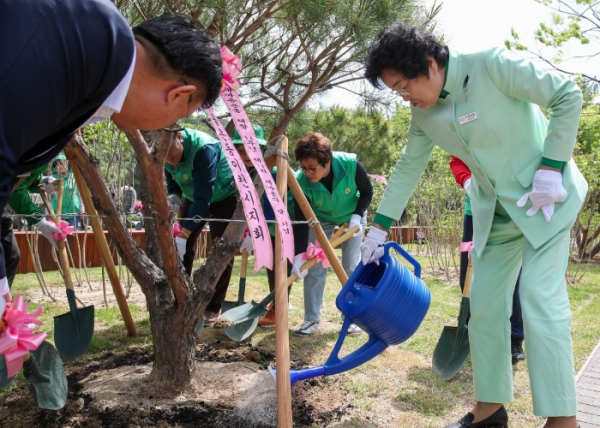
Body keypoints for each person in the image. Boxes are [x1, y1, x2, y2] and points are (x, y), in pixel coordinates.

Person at [363, 22, 586, 428]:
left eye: (402, 86)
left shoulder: (491, 66)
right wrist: (378, 228)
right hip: (496, 213)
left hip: (546, 201)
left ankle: (562, 419)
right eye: (396, 91)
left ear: (429, 64)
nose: (405, 97)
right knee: (482, 307)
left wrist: (552, 167)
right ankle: (489, 412)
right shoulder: (423, 113)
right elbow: (408, 166)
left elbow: (566, 94)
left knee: (538, 297)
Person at [0, 1, 223, 303]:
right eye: (179, 117)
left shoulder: (97, 50)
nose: (171, 127)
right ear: (177, 95)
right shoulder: (82, 45)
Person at [292, 132, 373, 337]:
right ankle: (311, 319)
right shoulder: (301, 180)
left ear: (327, 161)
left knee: (350, 265)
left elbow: (367, 192)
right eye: (304, 168)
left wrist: (357, 216)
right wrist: (300, 254)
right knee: (315, 265)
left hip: (352, 217)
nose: (308, 173)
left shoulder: (349, 164)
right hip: (320, 219)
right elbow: (301, 220)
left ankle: (352, 317)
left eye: (312, 168)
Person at [450, 155, 525, 366]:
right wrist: (466, 181)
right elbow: (456, 159)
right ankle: (470, 327)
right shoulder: (463, 126)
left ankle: (515, 338)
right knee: (468, 275)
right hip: (475, 211)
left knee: (513, 278)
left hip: (509, 210)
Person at [166, 127, 237, 326]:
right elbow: (170, 174)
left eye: (171, 153)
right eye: (164, 157)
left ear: (179, 137)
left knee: (222, 251)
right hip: (192, 196)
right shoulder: (161, 147)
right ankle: (181, 298)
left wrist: (186, 230)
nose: (169, 159)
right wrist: (174, 194)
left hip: (223, 196)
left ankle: (212, 307)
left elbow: (203, 198)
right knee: (182, 248)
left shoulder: (204, 149)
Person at [51, 154, 83, 230]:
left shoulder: (74, 177)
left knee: (75, 237)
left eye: (62, 163)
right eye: (57, 164)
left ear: (67, 164)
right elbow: (49, 197)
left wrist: (82, 208)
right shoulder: (52, 179)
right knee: (59, 237)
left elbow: (80, 194)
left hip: (74, 213)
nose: (60, 166)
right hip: (57, 214)